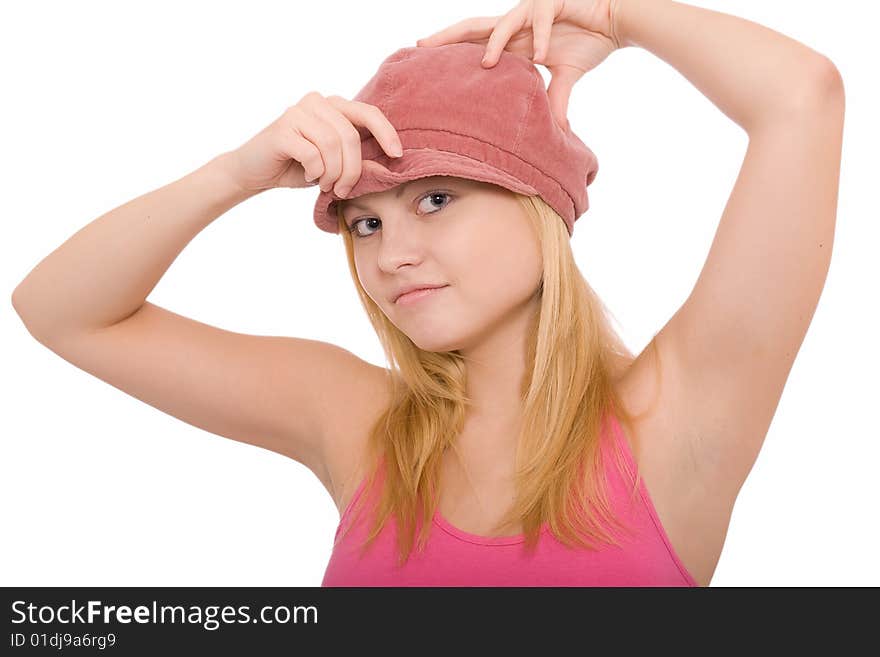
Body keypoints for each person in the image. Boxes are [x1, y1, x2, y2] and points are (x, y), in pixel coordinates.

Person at [10, 0, 844, 587]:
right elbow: (59, 310)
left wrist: (616, 14)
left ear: (539, 204)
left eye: (435, 199)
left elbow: (803, 97)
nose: (392, 253)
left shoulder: (678, 415)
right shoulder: (357, 421)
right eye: (363, 222)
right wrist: (233, 173)